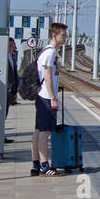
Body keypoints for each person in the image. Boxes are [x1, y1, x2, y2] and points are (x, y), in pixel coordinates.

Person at [32, 22, 67, 177]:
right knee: (44, 133)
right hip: (46, 97)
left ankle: (36, 164)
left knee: (38, 131)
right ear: (54, 35)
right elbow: (47, 76)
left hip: (43, 96)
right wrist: (53, 97)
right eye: (63, 35)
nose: (65, 37)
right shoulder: (50, 52)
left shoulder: (47, 51)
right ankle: (44, 166)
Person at [6, 38, 19, 108]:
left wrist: (15, 92)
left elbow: (14, 75)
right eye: (9, 45)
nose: (11, 46)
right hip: (6, 89)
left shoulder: (12, 58)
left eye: (12, 45)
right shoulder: (4, 57)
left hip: (11, 90)